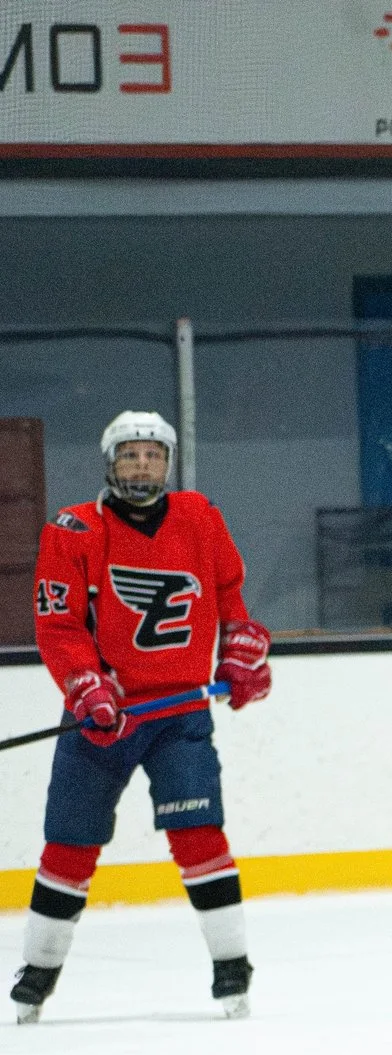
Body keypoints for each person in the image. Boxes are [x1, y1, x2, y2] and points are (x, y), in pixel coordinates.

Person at [13, 411, 272, 1024]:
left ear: (168, 462)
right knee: (70, 845)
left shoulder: (200, 517)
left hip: (179, 713)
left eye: (152, 455)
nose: (141, 465)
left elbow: (229, 592)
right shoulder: (73, 529)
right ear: (110, 461)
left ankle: (232, 965)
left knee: (200, 835)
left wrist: (240, 648)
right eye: (129, 455)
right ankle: (40, 971)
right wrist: (85, 686)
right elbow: (58, 624)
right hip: (104, 717)